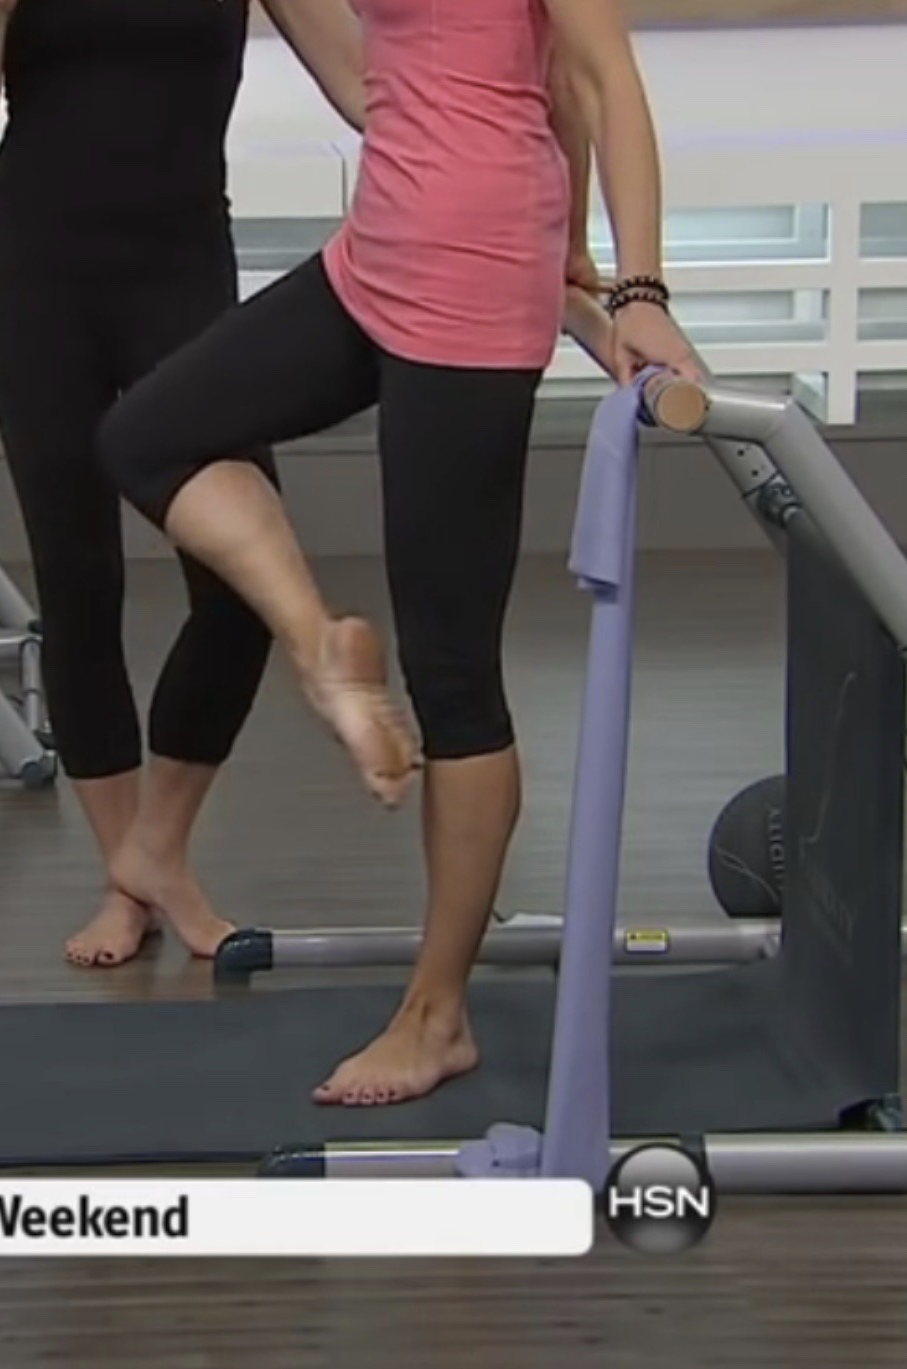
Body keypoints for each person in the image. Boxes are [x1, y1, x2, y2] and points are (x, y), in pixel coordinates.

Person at [99, 0, 699, 1106]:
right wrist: (570, 238)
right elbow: (495, 68)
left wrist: (638, 288)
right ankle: (319, 649)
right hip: (374, 251)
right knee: (146, 435)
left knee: (452, 673)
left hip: (471, 275)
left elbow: (599, 74)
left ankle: (436, 1017)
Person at [0, 0, 365, 967]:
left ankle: (155, 851)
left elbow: (372, 88)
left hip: (181, 269)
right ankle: (127, 879)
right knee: (79, 580)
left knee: (241, 585)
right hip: (36, 270)